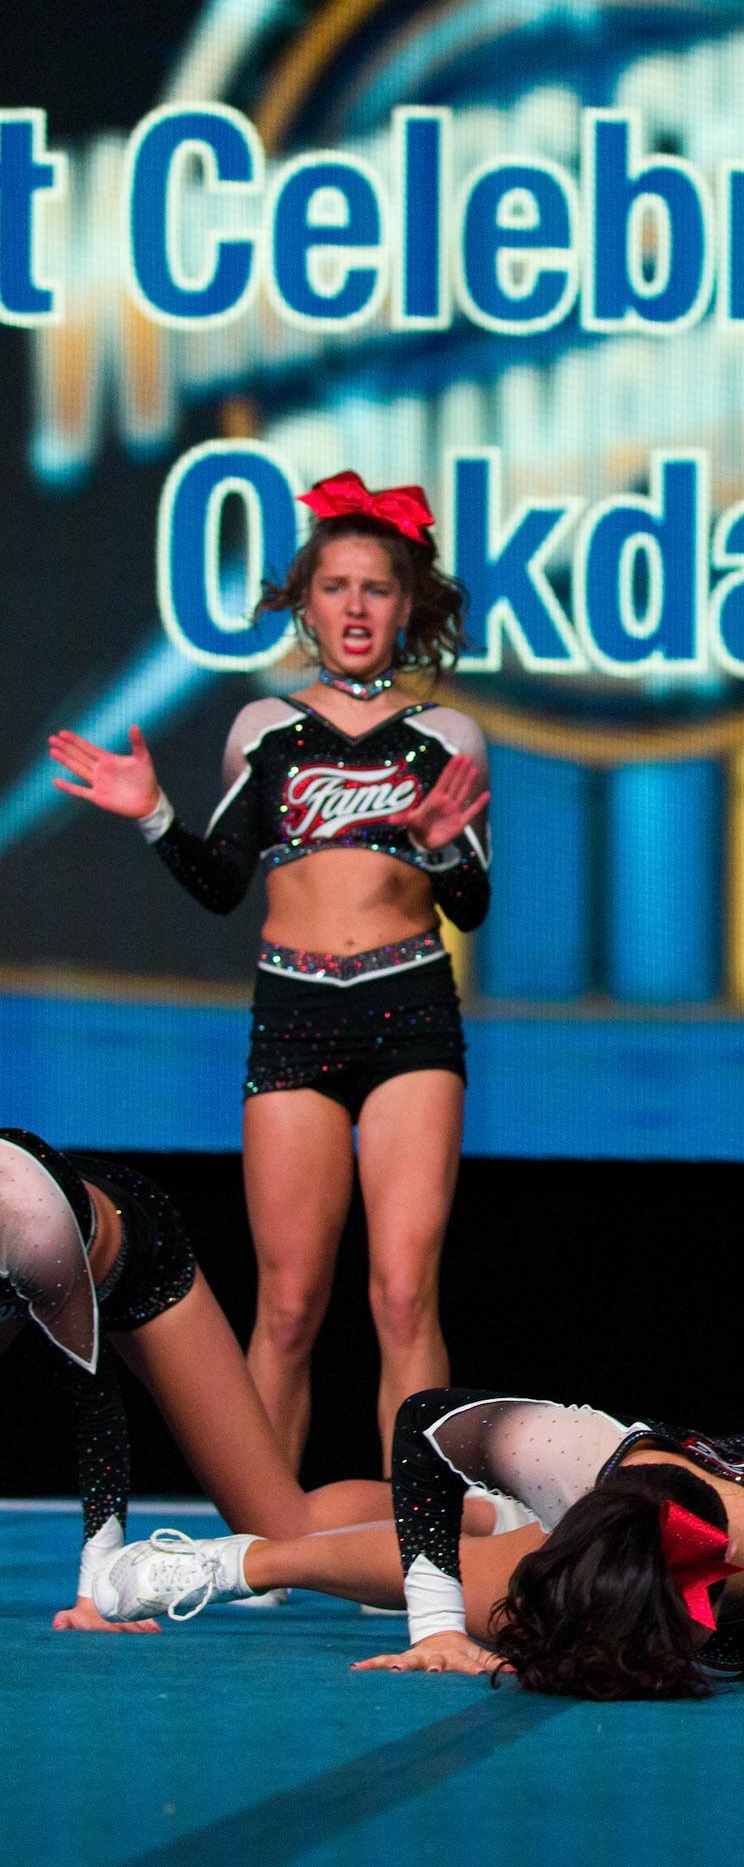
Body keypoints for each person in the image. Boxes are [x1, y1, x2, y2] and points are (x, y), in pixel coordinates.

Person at [47, 473, 490, 1475]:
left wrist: (438, 848)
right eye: (335, 587)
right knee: (287, 1303)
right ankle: (262, 1536)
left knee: (403, 1294)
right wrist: (154, 813)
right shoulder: (265, 730)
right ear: (305, 604)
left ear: (407, 604)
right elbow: (220, 883)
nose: (356, 607)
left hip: (411, 1013)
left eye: (376, 587)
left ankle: (416, 1538)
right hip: (293, 1015)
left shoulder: (447, 738)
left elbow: (471, 905)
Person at [92, 1376, 744, 1696]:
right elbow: (424, 1420)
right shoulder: (574, 1454)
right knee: (485, 1582)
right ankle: (232, 1563)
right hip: (658, 1512)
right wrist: (434, 1625)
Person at [0, 1125, 394, 1630]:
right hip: (38, 1258)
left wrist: (95, 1591)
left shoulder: (31, 1220)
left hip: (137, 1261)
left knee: (281, 1525)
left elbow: (94, 1408)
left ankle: (471, 1510)